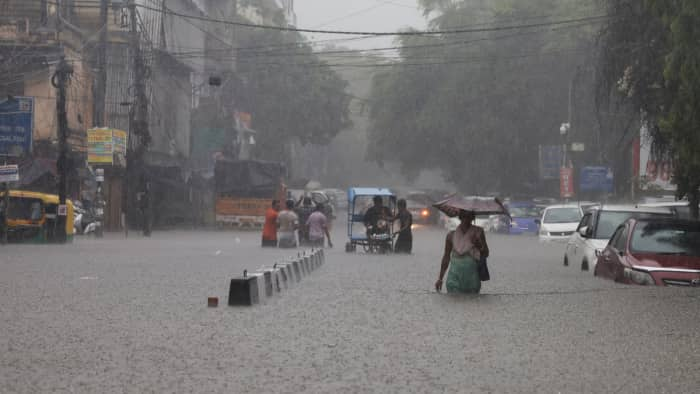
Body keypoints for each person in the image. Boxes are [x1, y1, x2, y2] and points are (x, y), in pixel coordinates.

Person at [435, 210, 489, 294]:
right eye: (464, 216)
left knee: (472, 301)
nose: (466, 219)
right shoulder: (451, 235)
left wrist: (479, 246)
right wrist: (440, 279)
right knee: (453, 300)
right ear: (460, 217)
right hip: (454, 277)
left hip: (472, 277)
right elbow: (446, 257)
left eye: (469, 216)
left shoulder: (478, 233)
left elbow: (486, 253)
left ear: (472, 217)